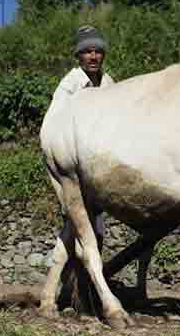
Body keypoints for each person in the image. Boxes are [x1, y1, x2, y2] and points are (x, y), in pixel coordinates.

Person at [52, 25, 114, 312]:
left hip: (102, 169)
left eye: (97, 51)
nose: (93, 56)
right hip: (73, 169)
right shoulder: (70, 85)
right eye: (87, 51)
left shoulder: (110, 83)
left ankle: (56, 294)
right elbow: (55, 125)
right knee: (88, 231)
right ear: (79, 56)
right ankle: (83, 296)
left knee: (80, 232)